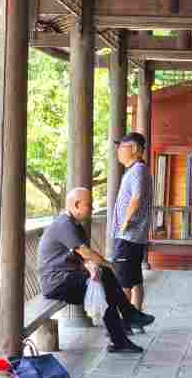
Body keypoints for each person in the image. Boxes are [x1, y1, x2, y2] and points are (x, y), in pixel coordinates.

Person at [39, 185, 153, 352]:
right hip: (56, 284)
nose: (92, 208)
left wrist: (92, 267)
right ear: (76, 205)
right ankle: (127, 319)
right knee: (106, 278)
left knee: (106, 288)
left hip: (69, 278)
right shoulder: (65, 224)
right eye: (89, 205)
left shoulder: (75, 225)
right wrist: (109, 265)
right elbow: (85, 252)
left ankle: (122, 333)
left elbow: (83, 258)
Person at [111, 132, 154, 313]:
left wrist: (124, 224)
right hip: (134, 236)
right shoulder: (138, 170)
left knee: (123, 282)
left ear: (135, 148)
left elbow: (136, 199)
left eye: (122, 147)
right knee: (135, 280)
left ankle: (124, 320)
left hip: (128, 236)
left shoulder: (138, 170)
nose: (118, 151)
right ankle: (135, 316)